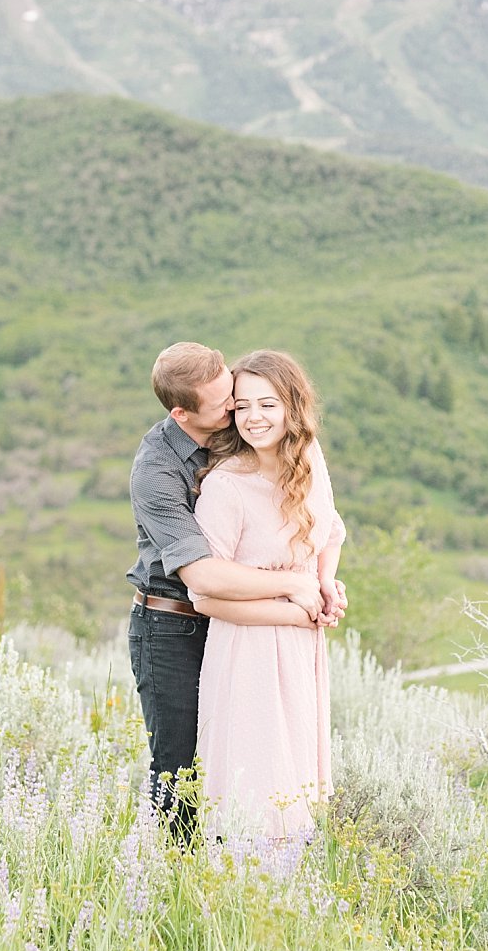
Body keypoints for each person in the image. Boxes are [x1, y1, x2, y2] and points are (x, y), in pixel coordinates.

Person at [125, 342, 339, 843]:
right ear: (182, 413)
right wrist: (293, 589)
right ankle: (178, 883)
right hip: (173, 623)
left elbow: (321, 525)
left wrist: (319, 581)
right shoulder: (156, 472)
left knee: (260, 760)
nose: (236, 410)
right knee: (183, 771)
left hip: (248, 626)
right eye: (229, 405)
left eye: (237, 395)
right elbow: (204, 579)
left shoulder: (247, 439)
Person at [189, 350, 345, 840]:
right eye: (242, 406)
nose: (253, 417)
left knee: (297, 791)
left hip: (301, 655)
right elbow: (205, 598)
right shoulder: (226, 487)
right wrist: (292, 608)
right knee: (254, 791)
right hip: (247, 654)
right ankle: (239, 899)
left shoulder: (310, 462)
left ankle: (293, 899)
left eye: (268, 405)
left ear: (292, 408)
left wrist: (324, 583)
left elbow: (332, 533)